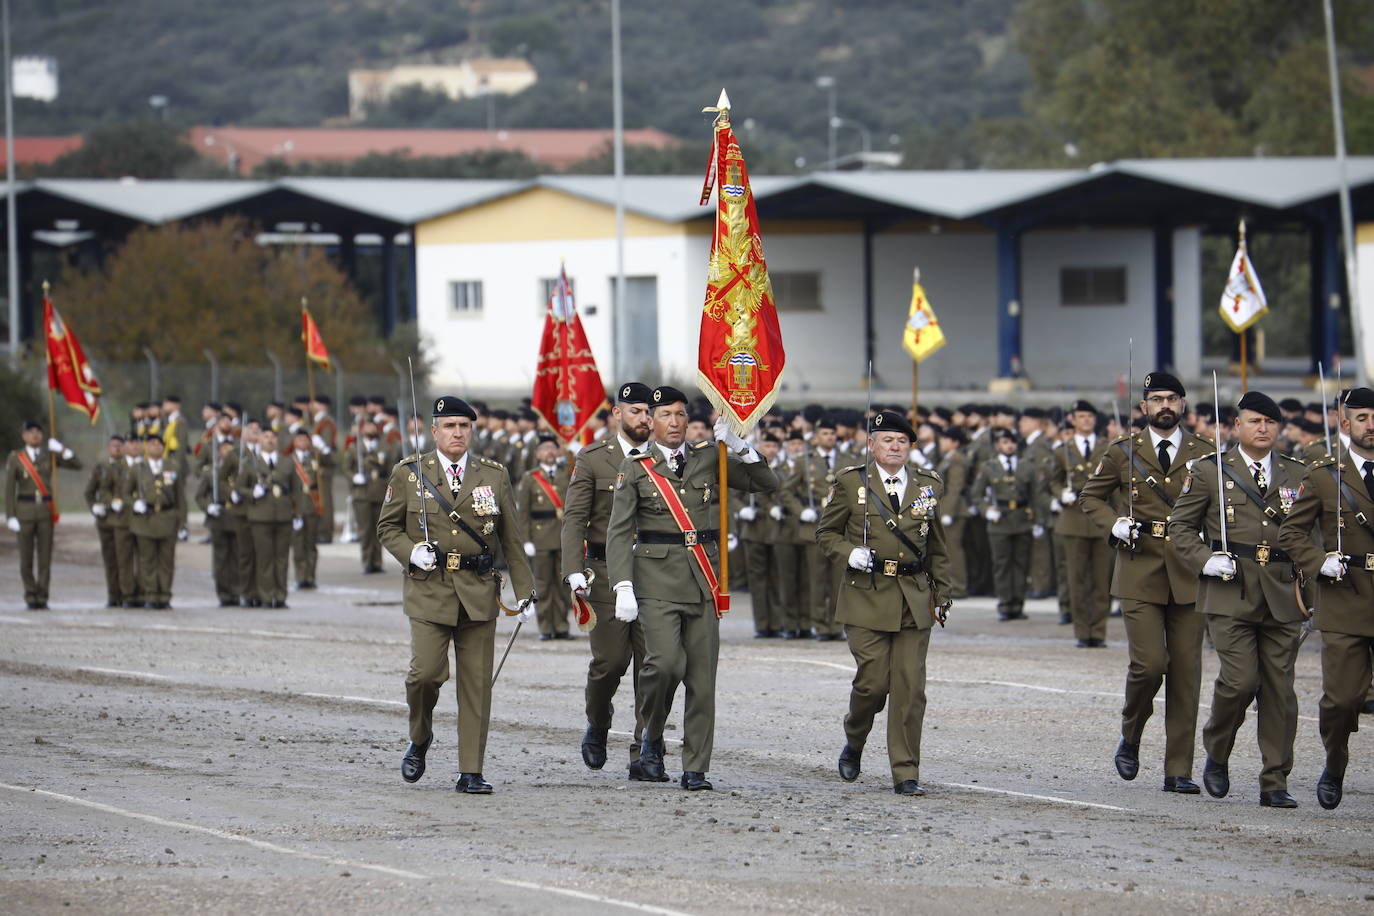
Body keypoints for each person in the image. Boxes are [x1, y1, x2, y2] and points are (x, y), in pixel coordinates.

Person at [606, 386, 777, 790]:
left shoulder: (708, 458)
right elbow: (618, 532)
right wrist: (623, 585)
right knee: (664, 664)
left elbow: (765, 482)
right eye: (665, 415)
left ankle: (695, 766)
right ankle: (650, 735)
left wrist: (738, 446)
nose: (675, 422)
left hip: (703, 581)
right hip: (656, 584)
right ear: (651, 422)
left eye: (681, 415)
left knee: (702, 679)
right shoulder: (636, 467)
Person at [377, 395, 535, 795]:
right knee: (425, 674)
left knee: (477, 684)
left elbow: (512, 540)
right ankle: (420, 734)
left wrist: (527, 592)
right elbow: (387, 528)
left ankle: (470, 770)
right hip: (429, 590)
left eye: (464, 426)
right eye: (449, 426)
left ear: (472, 431)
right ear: (434, 432)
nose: (458, 433)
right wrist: (412, 551)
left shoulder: (493, 476)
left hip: (478, 591)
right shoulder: (410, 473)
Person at [1080, 371, 1214, 794]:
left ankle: (1178, 769)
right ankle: (1131, 732)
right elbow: (1090, 497)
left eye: (1172, 398)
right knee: (1150, 664)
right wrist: (1114, 523)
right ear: (1143, 408)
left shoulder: (1206, 453)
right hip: (1140, 567)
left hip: (1190, 572)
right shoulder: (1123, 452)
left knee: (1187, 673)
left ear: (1184, 404)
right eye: (1156, 399)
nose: (1165, 405)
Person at [1169, 391, 1305, 808]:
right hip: (1231, 590)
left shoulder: (1298, 473)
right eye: (1253, 421)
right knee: (1240, 680)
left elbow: (1311, 535)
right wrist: (1204, 560)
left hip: (1283, 592)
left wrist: (1313, 588)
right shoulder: (1211, 471)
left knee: (1280, 688)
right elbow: (1180, 527)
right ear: (1235, 427)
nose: (1262, 429)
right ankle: (1217, 748)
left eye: (1269, 422)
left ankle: (1274, 778)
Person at [816, 409, 952, 796]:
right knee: (873, 684)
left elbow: (937, 546)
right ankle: (855, 737)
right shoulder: (850, 482)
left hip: (913, 597)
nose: (895, 446)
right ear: (872, 445)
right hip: (866, 595)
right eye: (887, 440)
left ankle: (905, 771)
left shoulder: (929, 485)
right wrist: (848, 552)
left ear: (911, 447)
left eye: (902, 441)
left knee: (910, 688)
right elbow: (825, 533)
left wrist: (943, 592)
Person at [1279, 386, 1374, 809]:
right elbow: (1291, 532)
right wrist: (1319, 561)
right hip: (1346, 595)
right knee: (1341, 700)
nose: (1371, 426)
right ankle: (1335, 762)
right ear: (1345, 422)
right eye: (1363, 418)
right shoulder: (1323, 474)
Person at [562, 382, 660, 778]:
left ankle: (645, 750)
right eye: (635, 411)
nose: (644, 419)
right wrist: (573, 571)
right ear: (617, 414)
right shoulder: (594, 459)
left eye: (648, 412)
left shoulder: (664, 459)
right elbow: (574, 519)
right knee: (611, 662)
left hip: (654, 573)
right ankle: (598, 723)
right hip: (602, 573)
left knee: (653, 665)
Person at [5, 421, 81, 610]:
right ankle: (31, 595)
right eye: (30, 432)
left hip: (45, 512)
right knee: (26, 557)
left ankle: (43, 595)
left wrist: (62, 449)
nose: (35, 435)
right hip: (24, 510)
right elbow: (9, 489)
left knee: (45, 557)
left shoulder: (50, 455)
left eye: (38, 432)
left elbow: (77, 465)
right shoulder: (16, 458)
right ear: (24, 436)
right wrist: (10, 516)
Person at [1054, 401, 1112, 647]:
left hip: (1101, 520)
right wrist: (1060, 494)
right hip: (1074, 519)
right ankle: (1082, 631)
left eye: (1090, 415)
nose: (1086, 420)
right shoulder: (1062, 450)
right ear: (1073, 420)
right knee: (1076, 580)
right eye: (1081, 416)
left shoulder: (1108, 448)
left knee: (1101, 580)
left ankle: (1098, 631)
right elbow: (1052, 481)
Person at [971, 428, 1044, 621]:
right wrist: (987, 509)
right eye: (1004, 442)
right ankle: (1004, 604)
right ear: (997, 446)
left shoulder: (1026, 466)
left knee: (1021, 564)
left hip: (1022, 519)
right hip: (999, 520)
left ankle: (1017, 605)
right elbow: (976, 494)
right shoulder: (989, 467)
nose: (1009, 445)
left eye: (1011, 442)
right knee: (1002, 565)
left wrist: (1037, 521)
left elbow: (1035, 496)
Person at [237, 427, 300, 609]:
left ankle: (280, 596)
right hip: (260, 516)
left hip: (283, 516)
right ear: (259, 441)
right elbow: (239, 488)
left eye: (273, 436)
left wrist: (297, 514)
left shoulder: (287, 463)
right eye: (265, 436)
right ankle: (265, 596)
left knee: (281, 558)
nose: (270, 440)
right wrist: (252, 492)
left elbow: (296, 490)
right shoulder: (250, 463)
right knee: (264, 559)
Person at [517, 435, 572, 640]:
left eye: (553, 447)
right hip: (539, 539)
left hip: (562, 537)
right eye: (545, 448)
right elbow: (523, 513)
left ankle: (561, 626)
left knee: (562, 585)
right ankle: (546, 628)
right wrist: (526, 540)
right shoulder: (530, 478)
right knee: (542, 585)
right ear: (537, 453)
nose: (549, 451)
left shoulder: (565, 473)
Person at [125, 435, 186, 610]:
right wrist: (134, 503)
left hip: (167, 518)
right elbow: (126, 493)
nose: (156, 447)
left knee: (166, 562)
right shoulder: (138, 469)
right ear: (146, 447)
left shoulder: (172, 467)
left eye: (159, 444)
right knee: (147, 561)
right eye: (152, 444)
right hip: (145, 520)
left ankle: (164, 596)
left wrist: (183, 524)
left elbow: (180, 498)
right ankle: (150, 595)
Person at [85, 434, 133, 608]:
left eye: (120, 445)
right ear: (108, 448)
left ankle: (127, 594)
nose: (117, 449)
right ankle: (113, 595)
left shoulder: (130, 467)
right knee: (110, 559)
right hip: (105, 519)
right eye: (113, 446)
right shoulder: (101, 467)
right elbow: (89, 492)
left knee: (125, 560)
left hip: (122, 519)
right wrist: (94, 507)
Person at [352, 418, 398, 574]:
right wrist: (353, 477)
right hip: (362, 494)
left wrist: (386, 482)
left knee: (379, 530)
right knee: (365, 530)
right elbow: (347, 468)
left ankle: (377, 562)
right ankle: (367, 561)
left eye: (373, 426)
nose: (370, 429)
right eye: (367, 426)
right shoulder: (355, 448)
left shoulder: (385, 447)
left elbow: (392, 468)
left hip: (380, 491)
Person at [197, 438, 240, 607]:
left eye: (230, 449)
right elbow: (200, 496)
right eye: (224, 449)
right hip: (219, 518)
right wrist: (209, 507)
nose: (227, 452)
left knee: (236, 558)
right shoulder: (211, 472)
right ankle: (224, 593)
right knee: (221, 559)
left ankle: (237, 592)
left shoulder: (240, 471)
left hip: (236, 517)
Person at [934, 427, 970, 601]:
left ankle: (959, 586)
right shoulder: (948, 458)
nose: (942, 442)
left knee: (953, 549)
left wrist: (947, 511)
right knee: (947, 549)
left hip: (955, 510)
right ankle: (952, 584)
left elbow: (955, 487)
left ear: (955, 442)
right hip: (948, 507)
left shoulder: (956, 459)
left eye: (945, 439)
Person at [288, 430, 323, 590]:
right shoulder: (288, 461)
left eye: (305, 439)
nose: (302, 442)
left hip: (311, 507)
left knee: (310, 544)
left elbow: (321, 483)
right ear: (294, 441)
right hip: (295, 508)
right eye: (299, 439)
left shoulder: (315, 459)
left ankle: (311, 576)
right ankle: (301, 577)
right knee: (298, 545)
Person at [310, 395, 338, 543]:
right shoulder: (318, 421)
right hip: (318, 465)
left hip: (324, 466)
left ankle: (325, 531)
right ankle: (320, 530)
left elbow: (326, 445)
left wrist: (319, 445)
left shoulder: (325, 422)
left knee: (325, 500)